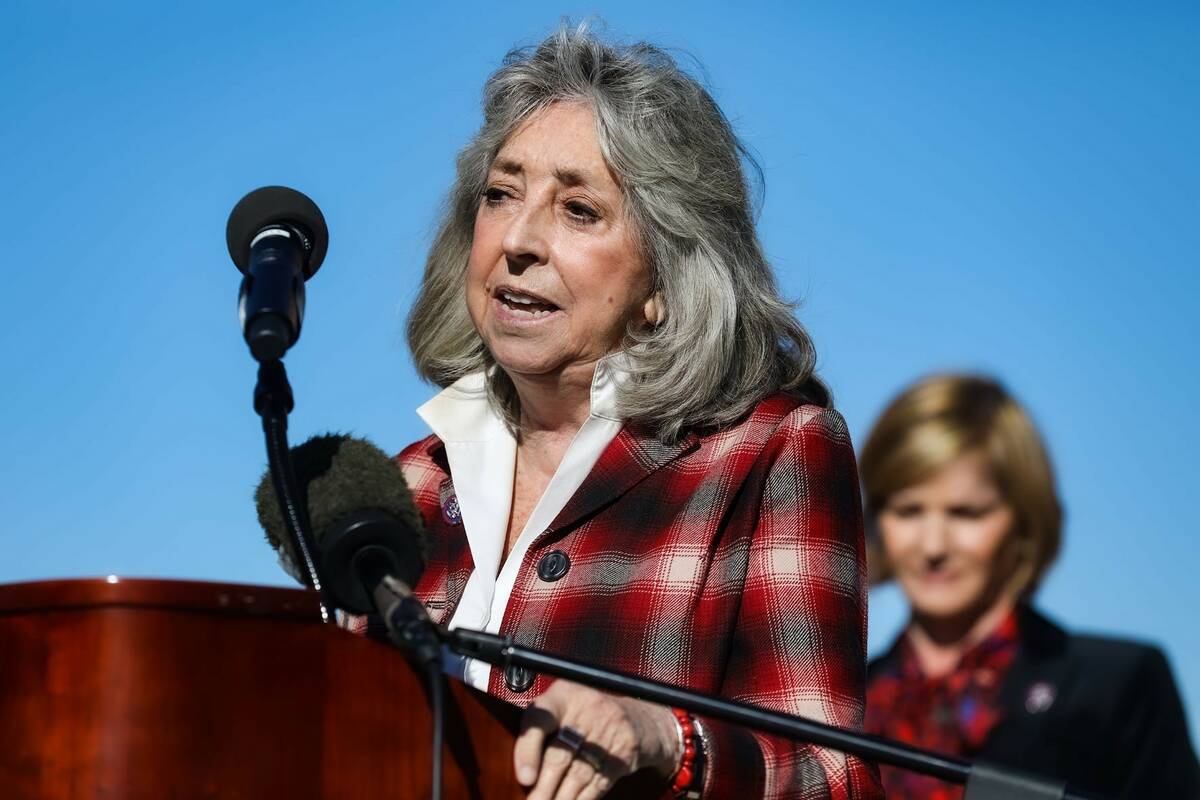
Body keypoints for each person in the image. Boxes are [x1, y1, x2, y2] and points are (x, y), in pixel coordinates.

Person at [376, 25, 882, 800]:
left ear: (665, 277)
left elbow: (836, 781)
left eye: (579, 210)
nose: (517, 239)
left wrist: (665, 740)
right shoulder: (408, 483)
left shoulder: (772, 453)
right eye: (501, 194)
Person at [860, 374, 1199, 799]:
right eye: (909, 511)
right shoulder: (842, 704)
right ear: (876, 521)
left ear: (1023, 521)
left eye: (966, 513)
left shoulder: (1116, 687)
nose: (933, 545)